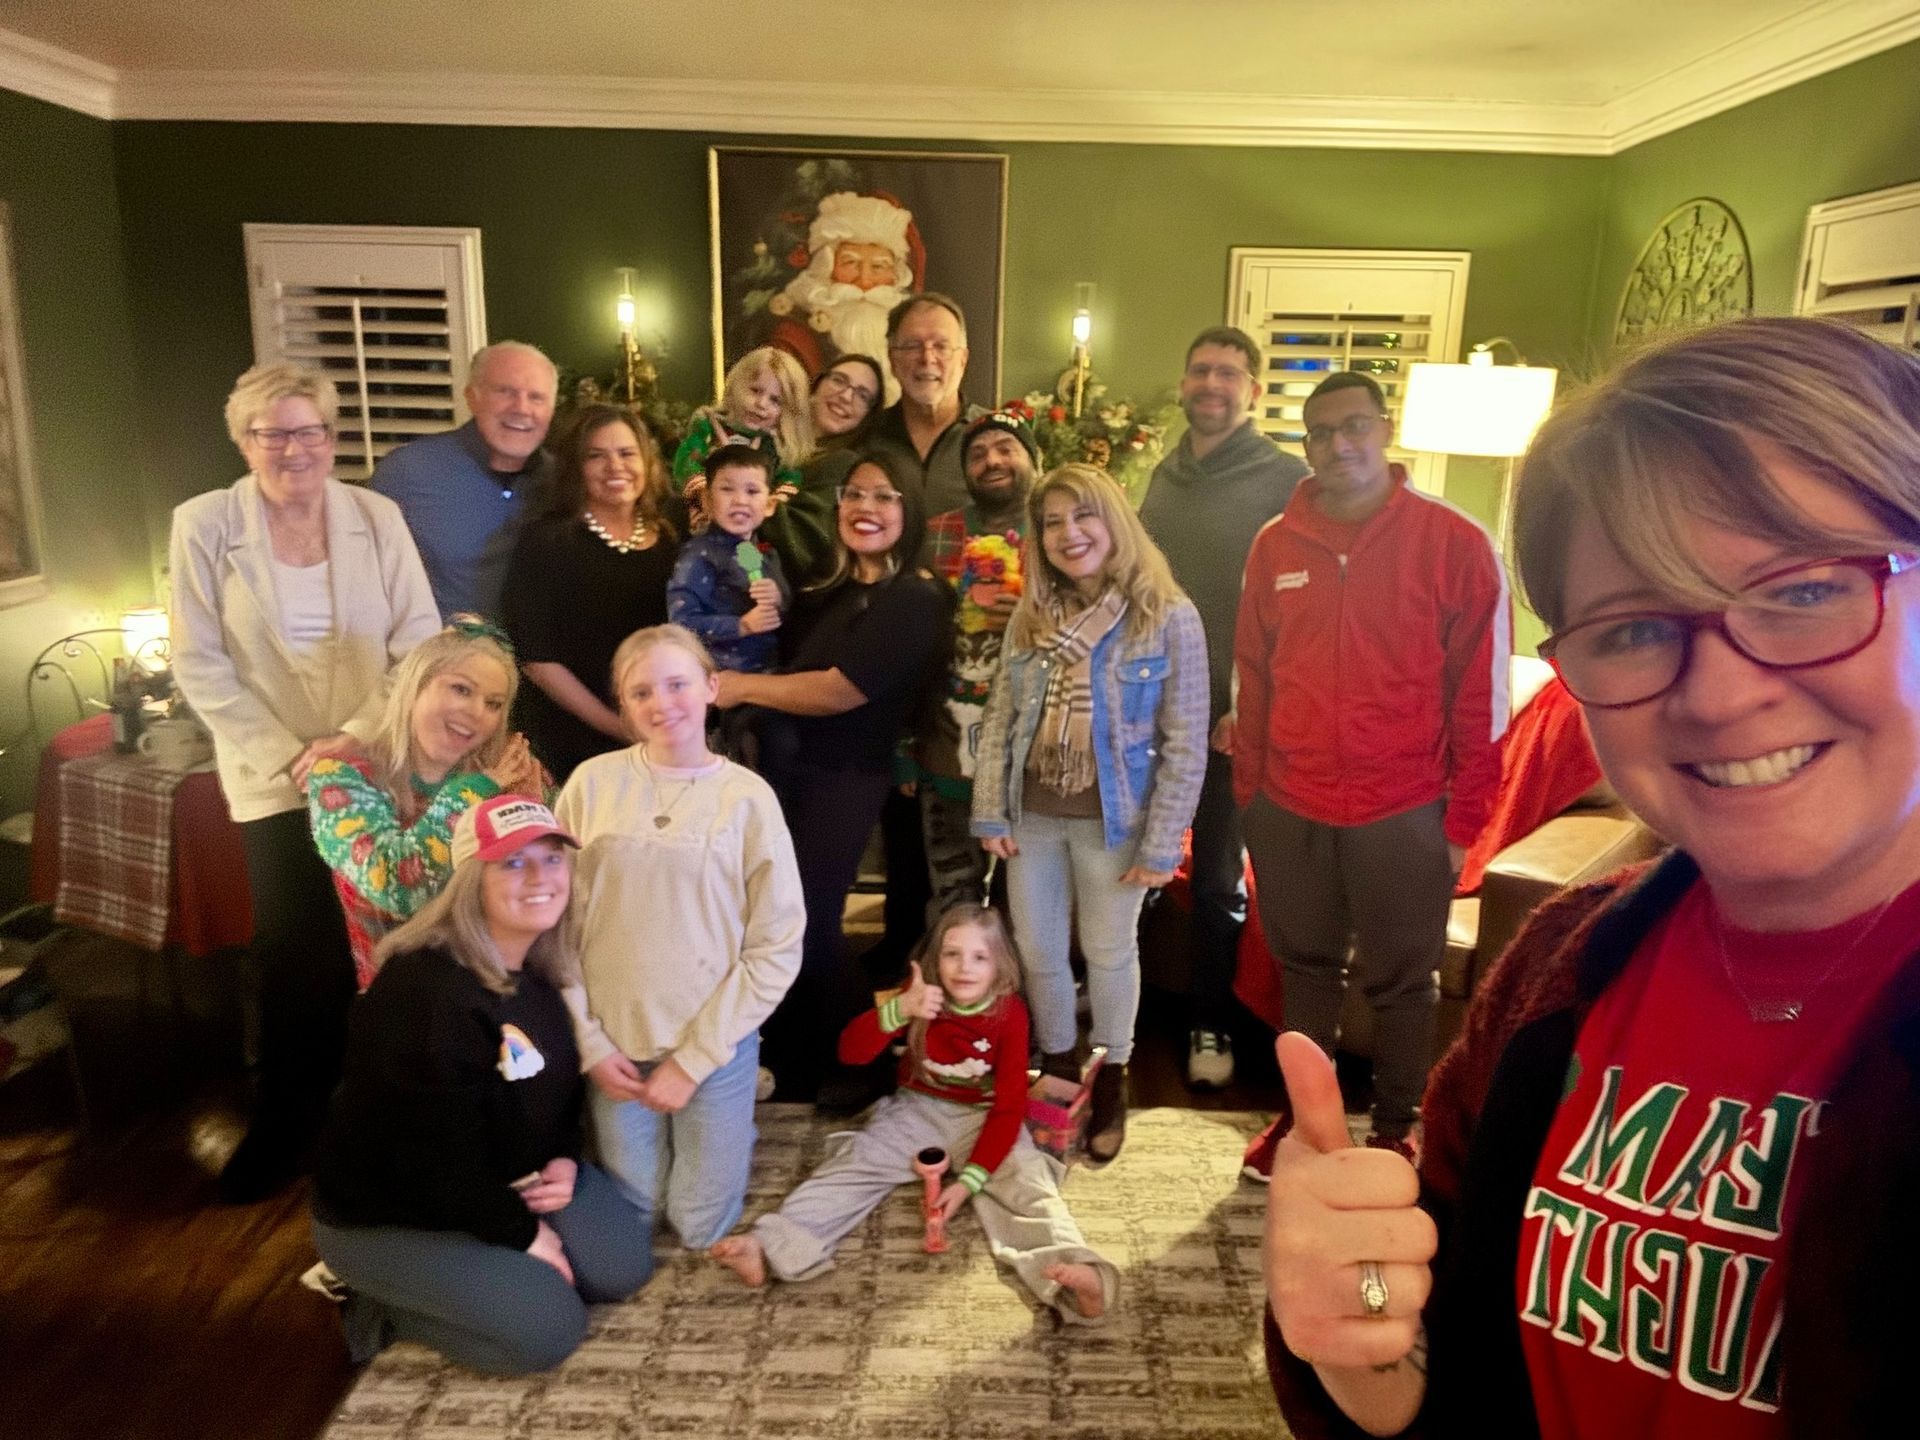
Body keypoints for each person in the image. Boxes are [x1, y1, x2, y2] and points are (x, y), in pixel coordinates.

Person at [1263, 315, 1920, 1438]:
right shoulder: (1566, 964)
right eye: (1630, 628)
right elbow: (1421, 1367)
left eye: (1804, 591)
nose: (1716, 695)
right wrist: (1351, 1320)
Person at [170, 361, 441, 1203]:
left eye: (311, 431)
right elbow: (197, 659)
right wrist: (295, 753)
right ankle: (289, 1122)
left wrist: (351, 741)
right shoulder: (203, 525)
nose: (295, 448)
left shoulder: (376, 516)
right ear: (244, 441)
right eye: (273, 433)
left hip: (374, 764)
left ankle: (381, 1112)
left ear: (333, 437)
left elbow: (419, 638)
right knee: (296, 951)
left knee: (385, 937)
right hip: (273, 775)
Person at [1235, 371, 1509, 1180]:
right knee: (1306, 974)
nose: (1337, 445)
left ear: (1383, 431)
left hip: (1405, 807)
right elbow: (1251, 675)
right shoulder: (1273, 544)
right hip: (1288, 803)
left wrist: (1464, 823)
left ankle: (1395, 1130)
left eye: (1353, 426)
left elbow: (1480, 696)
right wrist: (1249, 794)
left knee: (1402, 983)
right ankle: (1306, 1124)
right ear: (1307, 445)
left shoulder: (1454, 543)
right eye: (1319, 433)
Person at [309, 794, 652, 1375]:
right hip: (392, 1210)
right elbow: (425, 1159)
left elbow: (553, 1091)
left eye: (552, 858)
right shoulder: (421, 991)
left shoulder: (542, 967)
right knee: (548, 1330)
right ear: (471, 881)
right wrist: (523, 1236)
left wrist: (564, 1156)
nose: (540, 877)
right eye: (513, 863)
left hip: (502, 1177)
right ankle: (374, 1307)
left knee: (621, 1268)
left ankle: (483, 1271)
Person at [711, 903, 1117, 1324]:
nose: (964, 968)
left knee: (1028, 1185)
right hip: (916, 1111)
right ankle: (766, 1245)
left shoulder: (1009, 1013)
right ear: (935, 958)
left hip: (986, 1117)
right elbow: (850, 1052)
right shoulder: (918, 993)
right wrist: (899, 1010)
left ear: (1000, 967)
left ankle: (1079, 1274)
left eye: (979, 957)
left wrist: (968, 1183)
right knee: (852, 1166)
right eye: (952, 954)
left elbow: (1009, 1106)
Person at [971, 464, 1209, 1163]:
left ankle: (1112, 1075)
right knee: (1039, 950)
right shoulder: (1030, 616)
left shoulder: (1170, 617)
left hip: (1118, 821)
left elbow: (1186, 741)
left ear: (1115, 522)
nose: (1069, 534)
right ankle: (1058, 1063)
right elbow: (1000, 717)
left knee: (1108, 951)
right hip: (1033, 815)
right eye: (1052, 522)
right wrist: (991, 813)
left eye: (1084, 517)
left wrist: (1163, 842)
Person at [713, 452, 952, 1110]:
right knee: (778, 920)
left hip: (845, 776)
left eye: (884, 497)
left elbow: (839, 691)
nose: (865, 508)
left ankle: (865, 1058)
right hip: (788, 775)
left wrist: (731, 686)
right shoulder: (833, 589)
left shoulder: (916, 596)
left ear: (909, 512)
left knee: (812, 923)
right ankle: (797, 1055)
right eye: (854, 495)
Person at [555, 625, 804, 1251]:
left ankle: (734, 1113)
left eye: (677, 684)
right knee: (637, 1218)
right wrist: (588, 1043)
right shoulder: (590, 783)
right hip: (616, 1044)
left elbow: (776, 946)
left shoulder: (748, 798)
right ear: (623, 705)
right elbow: (554, 926)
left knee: (697, 1226)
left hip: (712, 1044)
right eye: (641, 692)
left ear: (711, 689)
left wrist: (694, 1061)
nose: (661, 703)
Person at [1137, 325, 1308, 1090]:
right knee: (1129, 864)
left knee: (1214, 880)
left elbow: (1299, 609)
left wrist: (1256, 704)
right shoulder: (1163, 477)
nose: (1212, 384)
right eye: (1200, 370)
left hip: (1231, 721)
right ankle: (1122, 1009)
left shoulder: (1286, 480)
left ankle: (1210, 1017)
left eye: (1229, 374)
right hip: (1150, 710)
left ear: (1255, 391)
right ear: (1183, 382)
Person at [307, 618, 548, 990]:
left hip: (505, 992)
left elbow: (549, 887)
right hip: (404, 1000)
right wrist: (478, 789)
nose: (476, 711)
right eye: (461, 689)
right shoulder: (338, 778)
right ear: (415, 686)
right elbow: (399, 888)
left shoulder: (511, 773)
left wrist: (528, 804)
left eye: (493, 703)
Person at [501, 403, 680, 781]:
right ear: (575, 468)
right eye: (596, 456)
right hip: (570, 740)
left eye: (627, 453)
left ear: (647, 461)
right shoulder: (546, 540)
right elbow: (536, 655)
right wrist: (617, 726)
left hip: (664, 733)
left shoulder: (673, 539)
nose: (615, 467)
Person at [908, 410, 1039, 916]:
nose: (992, 461)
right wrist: (907, 744)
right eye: (978, 454)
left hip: (1031, 759)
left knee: (1023, 904)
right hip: (947, 748)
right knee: (952, 896)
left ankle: (1015, 995)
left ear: (1031, 458)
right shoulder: (937, 533)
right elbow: (909, 642)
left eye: (1006, 448)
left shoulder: (1059, 530)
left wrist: (1031, 618)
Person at [371, 341, 558, 621]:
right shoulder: (406, 473)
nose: (522, 408)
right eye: (505, 392)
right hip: (442, 657)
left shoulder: (564, 481)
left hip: (541, 660)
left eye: (536, 398)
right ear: (472, 397)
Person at [766, 191, 922, 392]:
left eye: (878, 267)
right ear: (825, 269)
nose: (864, 281)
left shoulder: (915, 341)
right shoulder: (794, 338)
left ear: (896, 276)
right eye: (850, 263)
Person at [758, 355, 885, 588]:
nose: (846, 396)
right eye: (839, 380)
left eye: (862, 395)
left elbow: (798, 544)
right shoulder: (767, 440)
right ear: (817, 385)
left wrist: (729, 499)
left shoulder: (846, 466)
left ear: (868, 416)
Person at [666, 443, 791, 675]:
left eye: (752, 491)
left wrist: (777, 596)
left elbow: (784, 609)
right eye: (727, 489)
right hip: (718, 683)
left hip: (768, 675)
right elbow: (681, 623)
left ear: (770, 505)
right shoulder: (699, 555)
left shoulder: (766, 552)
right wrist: (741, 625)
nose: (740, 500)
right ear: (706, 500)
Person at [865, 293, 985, 520]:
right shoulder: (863, 438)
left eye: (941, 346)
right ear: (892, 360)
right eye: (912, 346)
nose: (927, 358)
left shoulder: (996, 438)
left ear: (963, 359)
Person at [671, 347, 813, 515]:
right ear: (735, 384)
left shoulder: (774, 446)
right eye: (755, 391)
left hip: (751, 520)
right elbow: (687, 459)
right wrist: (702, 489)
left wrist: (778, 499)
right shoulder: (708, 425)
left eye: (775, 400)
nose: (761, 404)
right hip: (703, 511)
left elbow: (789, 476)